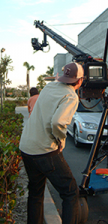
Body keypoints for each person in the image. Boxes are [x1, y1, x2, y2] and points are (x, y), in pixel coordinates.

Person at [19, 62, 84, 224]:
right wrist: (61, 140)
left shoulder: (48, 88)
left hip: (26, 148)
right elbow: (58, 122)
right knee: (70, 192)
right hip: (45, 151)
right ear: (80, 81)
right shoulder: (71, 96)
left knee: (35, 192)